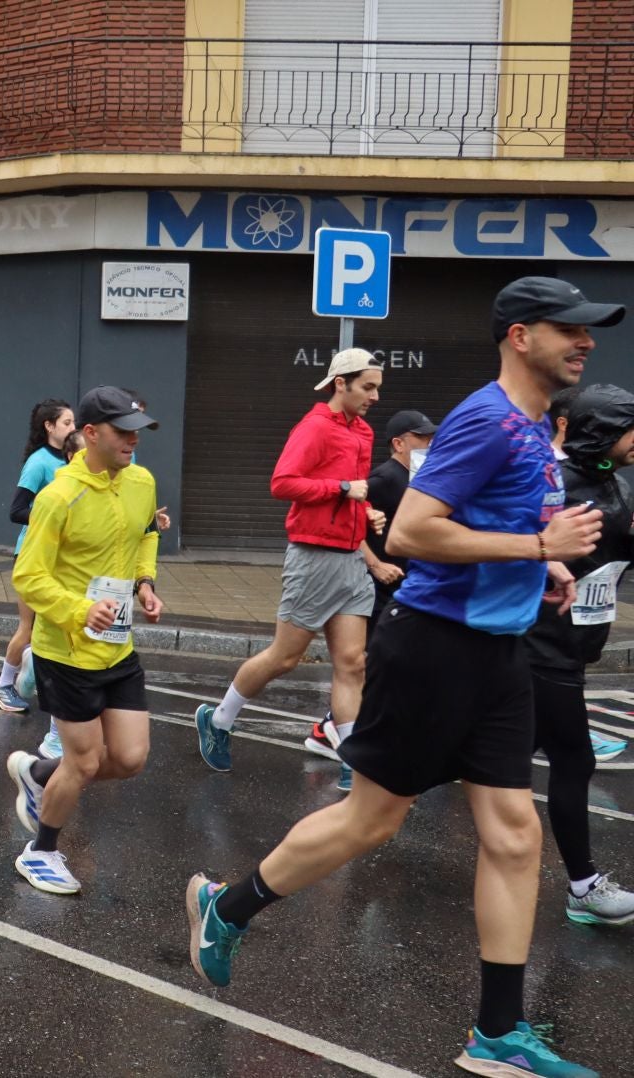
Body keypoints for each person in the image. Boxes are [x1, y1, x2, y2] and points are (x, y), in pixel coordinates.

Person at [186, 276, 623, 1078]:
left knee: (515, 834)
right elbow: (416, 531)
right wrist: (538, 548)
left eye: (588, 330)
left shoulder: (533, 427)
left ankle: (497, 1033)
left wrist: (542, 569)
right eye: (570, 329)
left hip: (501, 655)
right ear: (520, 336)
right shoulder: (487, 420)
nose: (586, 341)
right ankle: (228, 905)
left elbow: (500, 520)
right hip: (433, 651)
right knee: (371, 821)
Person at [0, 388, 162, 896]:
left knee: (130, 758)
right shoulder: (58, 496)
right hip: (66, 650)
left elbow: (145, 533)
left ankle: (40, 774)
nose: (133, 440)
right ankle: (40, 851)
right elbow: (28, 576)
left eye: (137, 431)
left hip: (117, 645)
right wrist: (78, 610)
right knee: (86, 761)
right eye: (122, 431)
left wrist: (145, 582)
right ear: (90, 434)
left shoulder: (141, 482)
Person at [195, 348, 384, 776]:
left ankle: (351, 759)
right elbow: (283, 483)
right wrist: (342, 489)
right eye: (368, 387)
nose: (374, 396)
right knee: (284, 658)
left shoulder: (364, 431)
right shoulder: (315, 426)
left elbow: (353, 492)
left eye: (377, 388)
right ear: (341, 383)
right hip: (314, 557)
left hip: (351, 559)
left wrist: (366, 511)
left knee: (353, 663)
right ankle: (219, 719)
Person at [524, 383, 634, 928]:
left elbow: (617, 550)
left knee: (486, 755)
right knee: (574, 760)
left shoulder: (616, 483)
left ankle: (383, 782)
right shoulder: (552, 484)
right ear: (602, 432)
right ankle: (584, 887)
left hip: (575, 645)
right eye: (630, 431)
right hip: (540, 644)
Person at [0, 399, 77, 717]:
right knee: (29, 626)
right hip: (31, 555)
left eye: (74, 422)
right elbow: (16, 511)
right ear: (49, 427)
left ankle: (37, 673)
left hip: (59, 557)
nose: (73, 427)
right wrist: (52, 519)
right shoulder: (39, 462)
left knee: (54, 626)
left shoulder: (72, 460)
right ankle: (2, 684)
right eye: (66, 422)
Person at [361, 409, 435, 631]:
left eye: (432, 437)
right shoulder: (384, 478)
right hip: (380, 590)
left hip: (409, 585)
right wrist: (376, 566)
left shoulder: (418, 477)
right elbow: (347, 525)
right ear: (399, 444)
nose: (430, 443)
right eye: (422, 437)